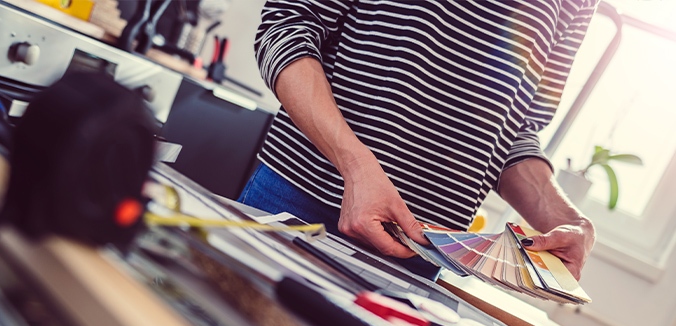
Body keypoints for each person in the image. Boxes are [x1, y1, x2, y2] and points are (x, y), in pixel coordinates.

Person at [240, 0, 597, 281]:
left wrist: (566, 220)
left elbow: (512, 131)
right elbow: (287, 27)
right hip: (300, 203)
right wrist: (356, 167)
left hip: (420, 255)